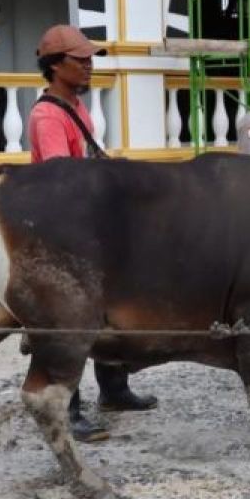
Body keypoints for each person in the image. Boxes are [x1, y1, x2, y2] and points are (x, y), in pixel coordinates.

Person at [30, 24, 158, 443]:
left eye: (89, 59)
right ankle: (68, 408)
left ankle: (114, 389)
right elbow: (61, 180)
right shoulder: (48, 115)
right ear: (54, 66)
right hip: (65, 230)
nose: (88, 66)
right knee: (69, 319)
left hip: (89, 224)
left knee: (111, 309)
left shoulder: (75, 108)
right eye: (79, 59)